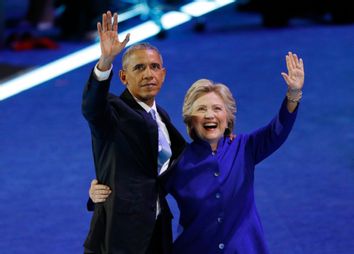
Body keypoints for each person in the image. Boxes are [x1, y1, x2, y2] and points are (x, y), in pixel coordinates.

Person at [90, 52, 305, 253]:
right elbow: (141, 189)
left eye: (217, 109)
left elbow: (277, 130)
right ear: (190, 120)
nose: (209, 115)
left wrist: (293, 93)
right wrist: (98, 192)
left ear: (228, 118)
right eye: (201, 109)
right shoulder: (178, 162)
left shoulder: (245, 148)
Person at [82, 10, 186, 254]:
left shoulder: (161, 117)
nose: (149, 74)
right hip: (120, 236)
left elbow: (177, 162)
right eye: (139, 68)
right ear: (123, 77)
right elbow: (92, 107)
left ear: (163, 74)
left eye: (154, 67)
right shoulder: (113, 112)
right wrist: (105, 61)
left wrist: (225, 141)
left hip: (156, 229)